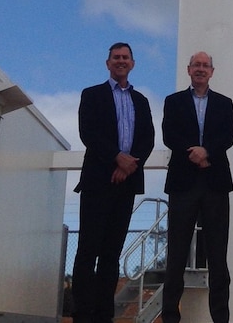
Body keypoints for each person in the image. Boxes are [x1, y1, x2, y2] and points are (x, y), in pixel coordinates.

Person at [72, 42, 155, 323]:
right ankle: (82, 314)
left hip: (126, 184)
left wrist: (129, 165)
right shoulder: (92, 95)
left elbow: (147, 139)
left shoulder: (141, 101)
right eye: (116, 57)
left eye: (125, 57)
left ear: (132, 63)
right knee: (88, 251)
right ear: (108, 63)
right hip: (98, 182)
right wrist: (117, 158)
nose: (121, 61)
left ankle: (103, 315)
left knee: (111, 254)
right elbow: (89, 133)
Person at [162, 51, 233, 323]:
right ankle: (170, 317)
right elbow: (170, 134)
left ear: (212, 71)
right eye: (197, 65)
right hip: (183, 184)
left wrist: (207, 152)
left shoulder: (224, 103)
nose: (201, 69)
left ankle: (221, 318)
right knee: (176, 256)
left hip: (215, 184)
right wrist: (192, 152)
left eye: (205, 65)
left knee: (218, 257)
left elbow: (228, 135)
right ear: (188, 69)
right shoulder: (173, 102)